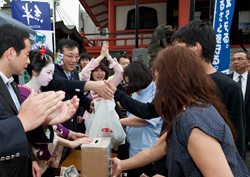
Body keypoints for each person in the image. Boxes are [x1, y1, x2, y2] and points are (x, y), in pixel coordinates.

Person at [110, 45, 250, 177]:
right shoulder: (184, 112)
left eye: (158, 79)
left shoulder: (195, 120)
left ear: (172, 80)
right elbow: (153, 152)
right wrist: (122, 164)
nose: (157, 87)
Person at [0, 24, 79, 177]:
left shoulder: (13, 86)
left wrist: (46, 120)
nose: (29, 61)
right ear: (10, 53)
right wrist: (23, 121)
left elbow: (22, 131)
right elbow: (18, 124)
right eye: (27, 54)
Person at [18, 45, 93, 174]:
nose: (51, 77)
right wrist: (69, 142)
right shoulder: (23, 93)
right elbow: (33, 129)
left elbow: (49, 123)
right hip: (31, 155)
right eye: (48, 72)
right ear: (35, 71)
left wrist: (71, 134)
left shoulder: (39, 92)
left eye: (52, 73)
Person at [42, 39, 114, 132]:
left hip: (71, 126)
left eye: (76, 56)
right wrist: (91, 85)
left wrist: (89, 103)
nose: (74, 60)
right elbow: (63, 84)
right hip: (55, 127)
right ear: (57, 55)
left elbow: (77, 96)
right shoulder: (51, 71)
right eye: (70, 56)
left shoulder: (74, 73)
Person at [120, 61, 163, 177]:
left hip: (147, 153)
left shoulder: (156, 93)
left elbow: (144, 119)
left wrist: (118, 122)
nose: (130, 86)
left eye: (131, 83)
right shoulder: (137, 93)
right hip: (133, 149)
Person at [80, 41, 123, 120]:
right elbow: (85, 72)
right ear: (92, 73)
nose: (99, 73)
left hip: (109, 119)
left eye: (102, 70)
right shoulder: (88, 84)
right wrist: (101, 56)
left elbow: (120, 72)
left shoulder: (109, 84)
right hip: (92, 118)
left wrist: (108, 56)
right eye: (96, 71)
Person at [228, 51, 250, 148]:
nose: (236, 62)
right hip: (230, 126)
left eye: (240, 59)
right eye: (233, 60)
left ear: (248, 62)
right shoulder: (225, 80)